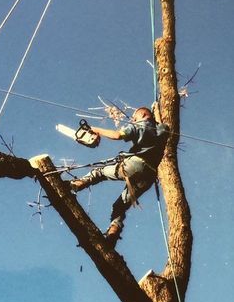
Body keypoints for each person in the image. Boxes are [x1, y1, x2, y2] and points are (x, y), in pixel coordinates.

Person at [66, 106, 169, 247]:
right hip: (148, 177)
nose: (133, 119)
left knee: (100, 172)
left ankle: (76, 185)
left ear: (143, 115)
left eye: (135, 117)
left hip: (135, 165)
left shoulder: (139, 126)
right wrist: (156, 109)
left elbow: (117, 135)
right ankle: (113, 233)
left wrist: (96, 130)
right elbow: (159, 124)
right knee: (119, 206)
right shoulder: (163, 129)